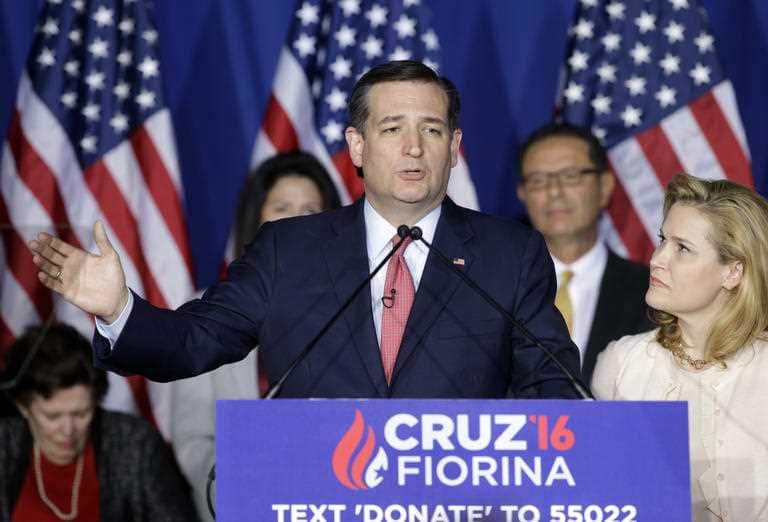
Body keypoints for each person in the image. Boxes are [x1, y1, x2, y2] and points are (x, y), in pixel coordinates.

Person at [29, 60, 580, 399]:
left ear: (454, 148)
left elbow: (553, 385)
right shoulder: (288, 250)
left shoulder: (511, 254)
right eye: (393, 129)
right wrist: (117, 309)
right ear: (358, 147)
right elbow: (191, 345)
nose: (413, 147)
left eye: (431, 130)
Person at [592, 174, 768, 521]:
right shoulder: (622, 360)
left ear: (733, 273)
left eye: (682, 248)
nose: (657, 258)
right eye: (662, 240)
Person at [171, 150, 341, 520]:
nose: (296, 220)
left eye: (311, 210)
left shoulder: (365, 308)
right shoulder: (207, 312)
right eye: (281, 207)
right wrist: (233, 487)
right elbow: (192, 437)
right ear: (257, 219)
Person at [0, 323, 196, 521]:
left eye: (81, 413)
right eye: (53, 416)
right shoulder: (4, 446)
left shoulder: (134, 444)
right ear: (23, 407)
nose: (68, 430)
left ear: (96, 401)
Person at [517, 122, 651, 384]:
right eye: (538, 180)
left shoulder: (653, 293)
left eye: (570, 176)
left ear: (605, 186)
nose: (554, 192)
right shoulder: (492, 289)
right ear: (522, 194)